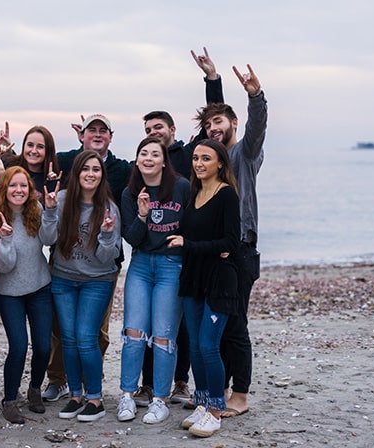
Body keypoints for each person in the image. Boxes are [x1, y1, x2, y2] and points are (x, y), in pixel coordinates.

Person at [134, 47, 225, 408]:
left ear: (172, 130)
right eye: (148, 131)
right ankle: (145, 383)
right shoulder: (146, 162)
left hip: (188, 247)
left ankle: (181, 381)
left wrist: (212, 80)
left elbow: (214, 124)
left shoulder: (190, 154)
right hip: (152, 252)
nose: (154, 134)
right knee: (146, 322)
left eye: (159, 128)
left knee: (183, 322)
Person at [42, 114, 131, 402]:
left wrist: (106, 234)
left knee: (91, 336)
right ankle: (67, 387)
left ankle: (92, 388)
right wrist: (50, 211)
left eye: (102, 130)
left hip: (99, 275)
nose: (91, 173)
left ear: (111, 136)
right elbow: (48, 236)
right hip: (64, 273)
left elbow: (109, 254)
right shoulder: (65, 188)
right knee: (65, 336)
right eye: (90, 130)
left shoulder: (119, 178)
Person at [196, 64, 267, 418]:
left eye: (220, 123)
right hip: (215, 251)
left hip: (240, 250)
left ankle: (240, 395)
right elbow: (214, 124)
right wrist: (212, 83)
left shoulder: (244, 155)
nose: (213, 129)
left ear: (234, 124)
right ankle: (220, 389)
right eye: (208, 127)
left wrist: (255, 95)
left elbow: (254, 129)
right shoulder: (215, 163)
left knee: (236, 324)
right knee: (219, 324)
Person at [166, 138, 241, 438]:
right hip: (193, 277)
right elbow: (193, 235)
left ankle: (216, 409)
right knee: (195, 346)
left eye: (205, 159)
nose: (198, 163)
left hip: (218, 280)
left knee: (209, 346)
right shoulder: (194, 193)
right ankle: (202, 401)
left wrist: (192, 244)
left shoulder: (227, 196)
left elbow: (231, 243)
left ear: (220, 163)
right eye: (196, 158)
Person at [116, 137, 190, 424]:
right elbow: (132, 239)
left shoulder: (181, 187)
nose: (148, 158)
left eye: (154, 154)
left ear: (163, 160)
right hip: (141, 265)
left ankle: (160, 399)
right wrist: (143, 215)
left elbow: (192, 222)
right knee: (133, 332)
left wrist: (188, 242)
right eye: (143, 153)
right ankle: (127, 395)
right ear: (137, 160)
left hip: (172, 265)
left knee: (163, 336)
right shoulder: (129, 192)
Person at [0, 167, 53, 424]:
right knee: (19, 346)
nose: (19, 190)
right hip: (9, 292)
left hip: (40, 287)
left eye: (23, 186)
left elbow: (49, 238)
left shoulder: (37, 212)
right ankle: (10, 400)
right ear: (4, 188)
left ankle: (35, 389)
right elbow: (3, 266)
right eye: (13, 185)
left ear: (30, 190)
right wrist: (5, 241)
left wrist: (51, 212)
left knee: (44, 347)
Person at [0, 123, 61, 202]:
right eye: (30, 145)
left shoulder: (51, 178)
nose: (34, 151)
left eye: (40, 147)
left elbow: (44, 210)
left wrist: (51, 185)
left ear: (48, 150)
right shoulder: (7, 165)